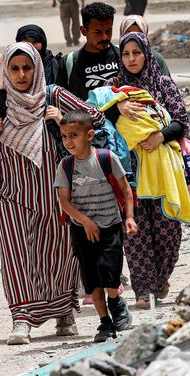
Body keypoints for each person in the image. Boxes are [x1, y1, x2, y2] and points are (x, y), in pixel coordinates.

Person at [0, 41, 105, 345]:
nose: (22, 74)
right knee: (17, 258)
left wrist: (64, 120)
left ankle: (65, 313)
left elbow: (96, 117)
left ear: (37, 68)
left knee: (61, 255)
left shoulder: (52, 95)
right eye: (15, 68)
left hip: (56, 196)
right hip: (12, 195)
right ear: (5, 70)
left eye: (27, 68)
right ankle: (21, 318)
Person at [108, 32, 189, 308]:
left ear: (147, 54)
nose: (131, 59)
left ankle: (160, 279)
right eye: (126, 54)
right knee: (135, 232)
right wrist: (116, 105)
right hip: (129, 170)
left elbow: (181, 120)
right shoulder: (114, 87)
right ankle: (143, 290)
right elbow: (98, 115)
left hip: (163, 170)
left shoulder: (163, 83)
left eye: (137, 53)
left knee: (168, 232)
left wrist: (160, 136)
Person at [55, 110, 137, 342]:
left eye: (74, 135)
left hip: (110, 226)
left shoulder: (106, 158)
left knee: (110, 273)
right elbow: (64, 202)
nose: (68, 141)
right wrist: (85, 222)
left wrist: (129, 217)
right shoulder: (65, 166)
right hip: (82, 230)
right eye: (64, 136)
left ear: (89, 134)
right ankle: (104, 322)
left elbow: (126, 190)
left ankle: (116, 301)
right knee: (91, 279)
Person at [56, 2, 118, 100]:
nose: (105, 37)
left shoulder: (123, 56)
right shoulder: (69, 63)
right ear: (84, 31)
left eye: (108, 31)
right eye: (98, 32)